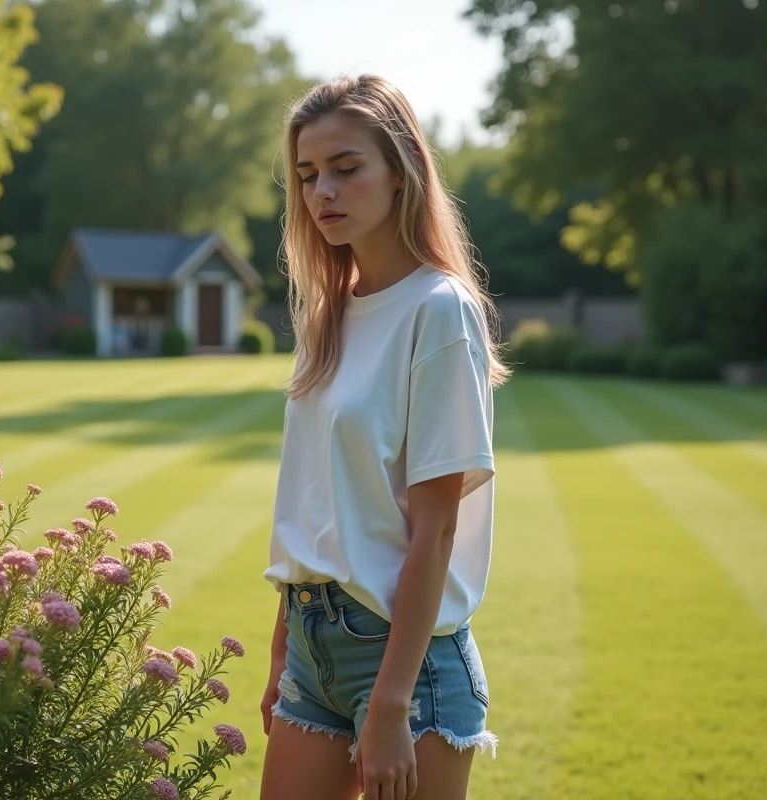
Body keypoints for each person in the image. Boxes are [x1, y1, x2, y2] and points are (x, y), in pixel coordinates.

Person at [259, 74, 511, 800]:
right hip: (313, 644)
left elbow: (434, 528)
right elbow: (318, 498)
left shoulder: (439, 311)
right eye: (308, 175)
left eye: (346, 168)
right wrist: (284, 643)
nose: (322, 193)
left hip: (407, 663)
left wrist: (393, 702)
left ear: (400, 174)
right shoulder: (325, 315)